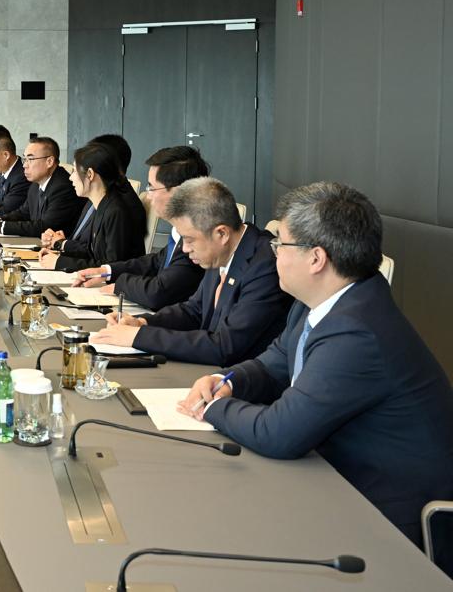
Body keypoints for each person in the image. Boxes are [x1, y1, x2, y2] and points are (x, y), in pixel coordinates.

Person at [179, 183, 453, 565]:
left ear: (316, 259)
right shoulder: (326, 301)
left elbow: (279, 433)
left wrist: (210, 409)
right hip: (336, 479)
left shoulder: (357, 331)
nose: (273, 252)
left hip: (392, 521)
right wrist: (227, 382)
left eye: (280, 244)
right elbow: (274, 362)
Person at [93, 177, 290, 365]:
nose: (185, 249)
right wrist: (142, 323)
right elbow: (194, 311)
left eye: (189, 240)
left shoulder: (265, 266)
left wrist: (139, 337)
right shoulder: (220, 251)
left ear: (221, 233)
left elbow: (225, 346)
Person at [72, 145, 210, 309]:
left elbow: (160, 292)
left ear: (179, 192)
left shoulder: (197, 238)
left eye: (152, 187)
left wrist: (121, 285)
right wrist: (105, 271)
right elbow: (155, 262)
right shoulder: (179, 232)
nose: (148, 196)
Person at [40, 142, 144, 273]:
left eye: (75, 171)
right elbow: (92, 253)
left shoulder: (116, 211)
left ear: (90, 174)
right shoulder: (101, 204)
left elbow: (111, 267)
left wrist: (60, 262)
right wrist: (59, 252)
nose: (71, 178)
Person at [0, 136, 83, 238]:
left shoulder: (63, 187)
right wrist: (0, 220)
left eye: (30, 159)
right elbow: (23, 213)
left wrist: (1, 227)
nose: (24, 165)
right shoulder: (36, 184)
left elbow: (45, 226)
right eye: (25, 159)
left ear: (49, 161)